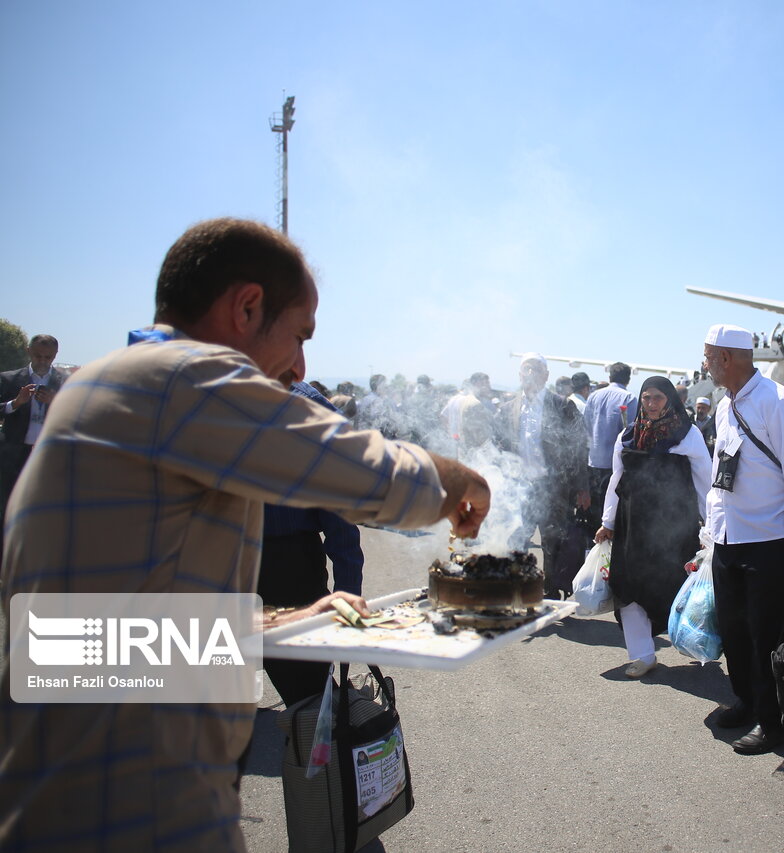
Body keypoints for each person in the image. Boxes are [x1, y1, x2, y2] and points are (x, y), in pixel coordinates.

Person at [0, 217, 491, 853]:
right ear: (246, 307)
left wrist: (284, 622)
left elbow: (85, 644)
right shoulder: (182, 378)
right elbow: (367, 473)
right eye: (299, 335)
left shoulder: (115, 384)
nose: (300, 367)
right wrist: (461, 486)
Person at [702, 324, 784, 755]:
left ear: (727, 359)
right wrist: (710, 534)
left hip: (770, 542)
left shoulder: (777, 401)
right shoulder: (723, 406)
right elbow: (719, 478)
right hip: (728, 540)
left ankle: (774, 725)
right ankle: (747, 702)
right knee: (733, 633)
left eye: (708, 356)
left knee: (765, 637)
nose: (705, 364)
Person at [594, 376, 712, 678]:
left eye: (657, 398)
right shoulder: (628, 435)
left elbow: (704, 481)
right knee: (629, 585)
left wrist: (711, 527)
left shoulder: (687, 435)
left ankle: (692, 641)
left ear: (670, 399)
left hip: (674, 527)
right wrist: (607, 522)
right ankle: (643, 655)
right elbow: (616, 481)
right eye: (646, 398)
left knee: (677, 585)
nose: (651, 404)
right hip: (632, 526)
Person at [258, 378, 366, 707]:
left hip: (286, 568)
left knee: (310, 699)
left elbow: (340, 517)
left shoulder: (304, 406)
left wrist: (347, 596)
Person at [497, 353, 590, 597]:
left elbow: (579, 446)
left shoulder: (561, 405)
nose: (530, 374)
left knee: (552, 542)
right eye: (526, 369)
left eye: (535, 369)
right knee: (517, 538)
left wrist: (582, 487)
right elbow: (501, 445)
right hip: (521, 488)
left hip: (554, 488)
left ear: (546, 376)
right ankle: (517, 586)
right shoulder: (509, 408)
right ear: (519, 374)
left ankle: (550, 591)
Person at [0, 334, 68, 540]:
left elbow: (78, 415)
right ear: (29, 351)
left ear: (55, 356)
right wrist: (16, 403)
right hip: (13, 456)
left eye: (48, 358)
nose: (42, 362)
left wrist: (58, 401)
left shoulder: (67, 383)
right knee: (6, 507)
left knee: (44, 509)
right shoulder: (8, 378)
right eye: (38, 356)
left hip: (48, 456)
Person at [582, 362, 637, 531]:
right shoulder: (629, 398)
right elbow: (631, 433)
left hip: (593, 464)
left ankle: (591, 554)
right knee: (611, 520)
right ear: (628, 379)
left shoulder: (593, 396)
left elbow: (586, 425)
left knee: (593, 517)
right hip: (615, 468)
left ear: (610, 376)